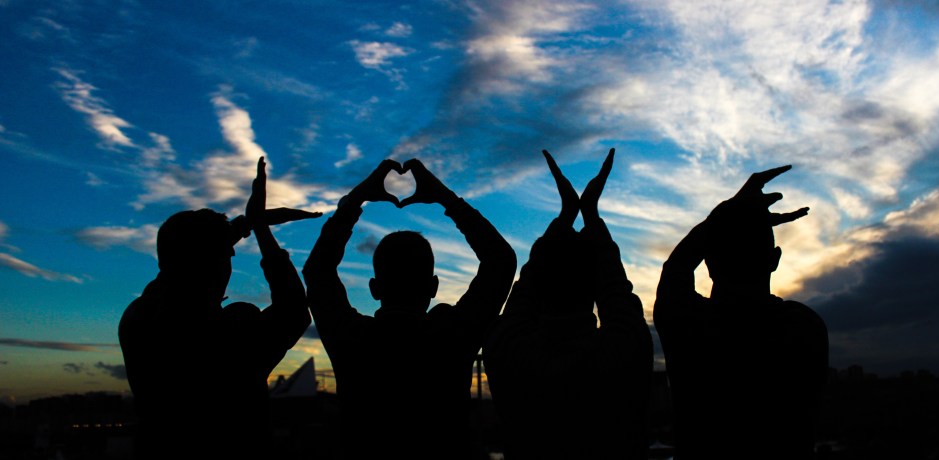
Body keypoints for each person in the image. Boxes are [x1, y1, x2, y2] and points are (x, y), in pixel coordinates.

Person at [302, 158, 517, 459]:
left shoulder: (351, 337)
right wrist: (446, 198)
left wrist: (356, 200)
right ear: (434, 287)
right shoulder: (452, 334)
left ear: (374, 288)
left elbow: (318, 271)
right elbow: (501, 261)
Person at [119, 158, 318, 459]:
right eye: (227, 256)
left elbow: (176, 268)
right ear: (216, 264)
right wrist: (260, 229)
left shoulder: (139, 316)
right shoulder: (229, 330)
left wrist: (238, 228)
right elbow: (293, 311)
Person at [484, 150, 653, 460]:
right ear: (595, 285)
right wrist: (589, 214)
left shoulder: (507, 350)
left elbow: (524, 294)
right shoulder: (623, 349)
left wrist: (568, 215)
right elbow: (616, 293)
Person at [654, 165, 828, 459]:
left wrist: (724, 213)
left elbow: (677, 267)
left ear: (708, 263)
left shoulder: (688, 323)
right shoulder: (804, 326)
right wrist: (732, 217)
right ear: (775, 259)